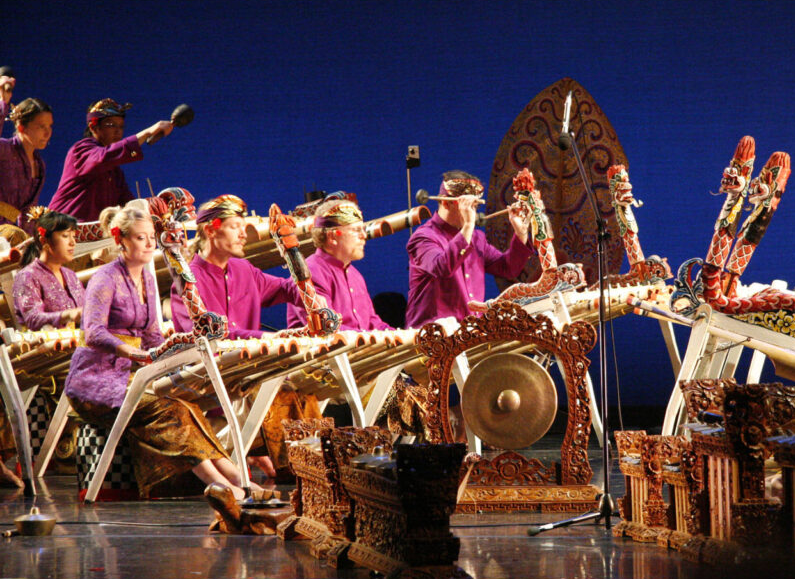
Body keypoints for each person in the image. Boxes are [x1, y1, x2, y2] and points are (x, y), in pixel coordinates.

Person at [63, 201, 262, 500]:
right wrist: (136, 355)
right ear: (121, 239)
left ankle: (236, 477)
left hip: (133, 376)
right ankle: (222, 486)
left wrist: (179, 350)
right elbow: (93, 333)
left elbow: (153, 334)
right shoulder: (105, 277)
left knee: (190, 406)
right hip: (95, 380)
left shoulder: (146, 278)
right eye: (140, 237)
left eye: (151, 238)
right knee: (171, 409)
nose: (148, 244)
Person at [169, 194, 322, 480]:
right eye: (235, 226)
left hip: (246, 370)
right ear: (211, 230)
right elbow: (212, 336)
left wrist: (309, 289)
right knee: (283, 391)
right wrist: (268, 338)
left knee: (301, 389)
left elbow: (287, 289)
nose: (244, 233)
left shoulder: (244, 270)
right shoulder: (189, 279)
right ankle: (296, 469)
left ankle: (306, 470)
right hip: (207, 376)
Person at [406, 170, 531, 327]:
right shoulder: (423, 238)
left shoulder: (477, 238)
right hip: (432, 335)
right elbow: (442, 267)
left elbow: (508, 268)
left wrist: (520, 233)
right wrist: (468, 225)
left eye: (475, 206)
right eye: (467, 206)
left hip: (468, 333)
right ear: (445, 202)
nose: (472, 212)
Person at [48, 99, 174, 221]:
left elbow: (127, 204)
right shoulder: (81, 151)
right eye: (111, 125)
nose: (118, 131)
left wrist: (154, 210)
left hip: (91, 234)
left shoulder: (115, 172)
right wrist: (147, 133)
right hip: (61, 229)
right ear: (94, 127)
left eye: (121, 126)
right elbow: (104, 157)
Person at [285, 198, 391, 331]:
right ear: (332, 237)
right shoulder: (309, 273)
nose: (364, 235)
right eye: (356, 230)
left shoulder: (355, 275)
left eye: (363, 229)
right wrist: (369, 338)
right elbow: (327, 328)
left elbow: (373, 323)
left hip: (356, 350)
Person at [11, 209, 85, 329]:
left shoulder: (71, 275)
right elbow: (32, 318)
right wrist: (68, 315)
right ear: (44, 240)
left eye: (74, 236)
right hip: (51, 345)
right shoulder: (27, 276)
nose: (73, 243)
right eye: (65, 236)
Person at [0, 99, 53, 244]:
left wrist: (30, 243)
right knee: (14, 234)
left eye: (50, 126)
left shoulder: (39, 165)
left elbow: (27, 214)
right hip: (8, 233)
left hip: (10, 233)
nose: (48, 132)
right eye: (41, 126)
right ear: (21, 126)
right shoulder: (4, 149)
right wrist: (3, 102)